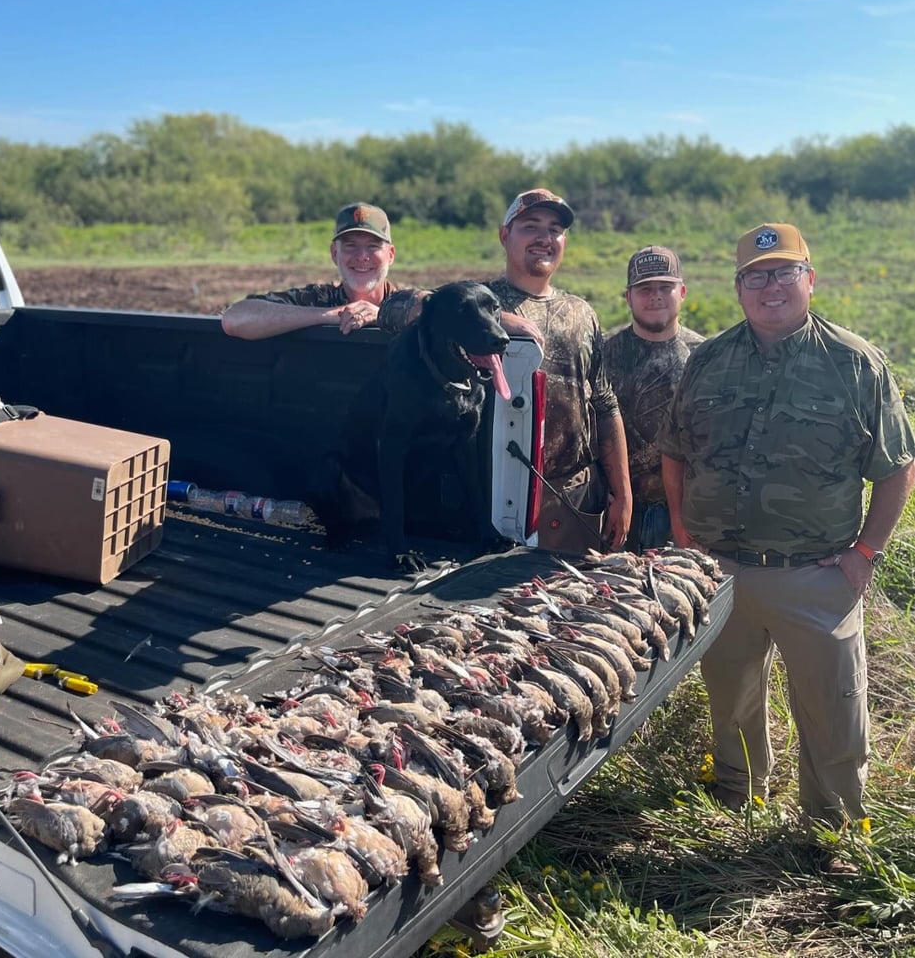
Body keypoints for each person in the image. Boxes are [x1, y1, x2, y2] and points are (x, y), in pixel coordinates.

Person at [659, 222, 915, 858]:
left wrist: (864, 554)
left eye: (782, 272)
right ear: (739, 288)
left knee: (833, 709)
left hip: (816, 576)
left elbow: (896, 467)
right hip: (720, 572)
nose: (769, 286)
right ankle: (740, 789)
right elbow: (674, 450)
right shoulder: (709, 359)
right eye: (755, 276)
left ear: (809, 279)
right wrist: (685, 530)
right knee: (732, 690)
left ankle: (832, 829)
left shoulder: (856, 363)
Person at [379, 188, 632, 554]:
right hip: (491, 498)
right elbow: (394, 309)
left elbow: (605, 404)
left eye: (554, 230)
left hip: (572, 497)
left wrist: (622, 494)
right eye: (531, 226)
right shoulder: (473, 302)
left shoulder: (582, 313)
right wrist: (501, 318)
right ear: (504, 235)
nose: (544, 238)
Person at [603, 246, 703, 552]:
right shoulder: (605, 354)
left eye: (665, 287)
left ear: (682, 292)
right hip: (617, 509)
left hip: (686, 513)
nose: (655, 296)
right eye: (645, 289)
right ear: (628, 297)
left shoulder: (705, 356)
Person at [221, 202, 402, 339]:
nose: (362, 256)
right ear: (334, 253)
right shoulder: (316, 299)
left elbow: (429, 316)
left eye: (372, 246)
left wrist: (383, 316)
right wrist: (333, 315)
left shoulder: (408, 302)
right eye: (350, 245)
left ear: (391, 255)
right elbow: (235, 318)